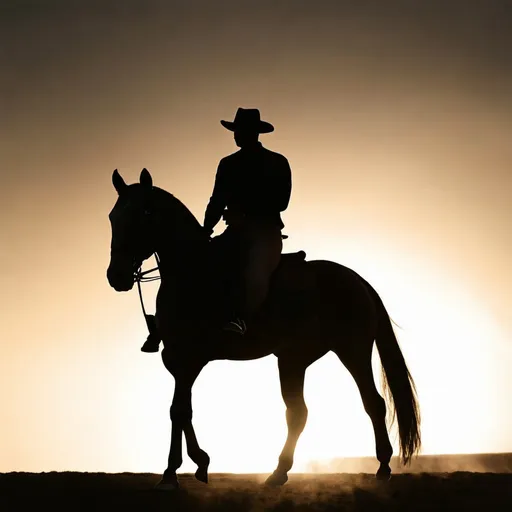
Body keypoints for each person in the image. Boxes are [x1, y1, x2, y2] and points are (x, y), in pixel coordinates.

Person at [204, 107, 292, 335]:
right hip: (235, 234)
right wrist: (204, 229)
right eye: (235, 130)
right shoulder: (227, 164)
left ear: (253, 133)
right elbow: (216, 200)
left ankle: (243, 319)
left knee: (255, 271)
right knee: (201, 265)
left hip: (265, 234)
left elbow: (281, 201)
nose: (235, 135)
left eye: (239, 130)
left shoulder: (276, 163)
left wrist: (243, 213)